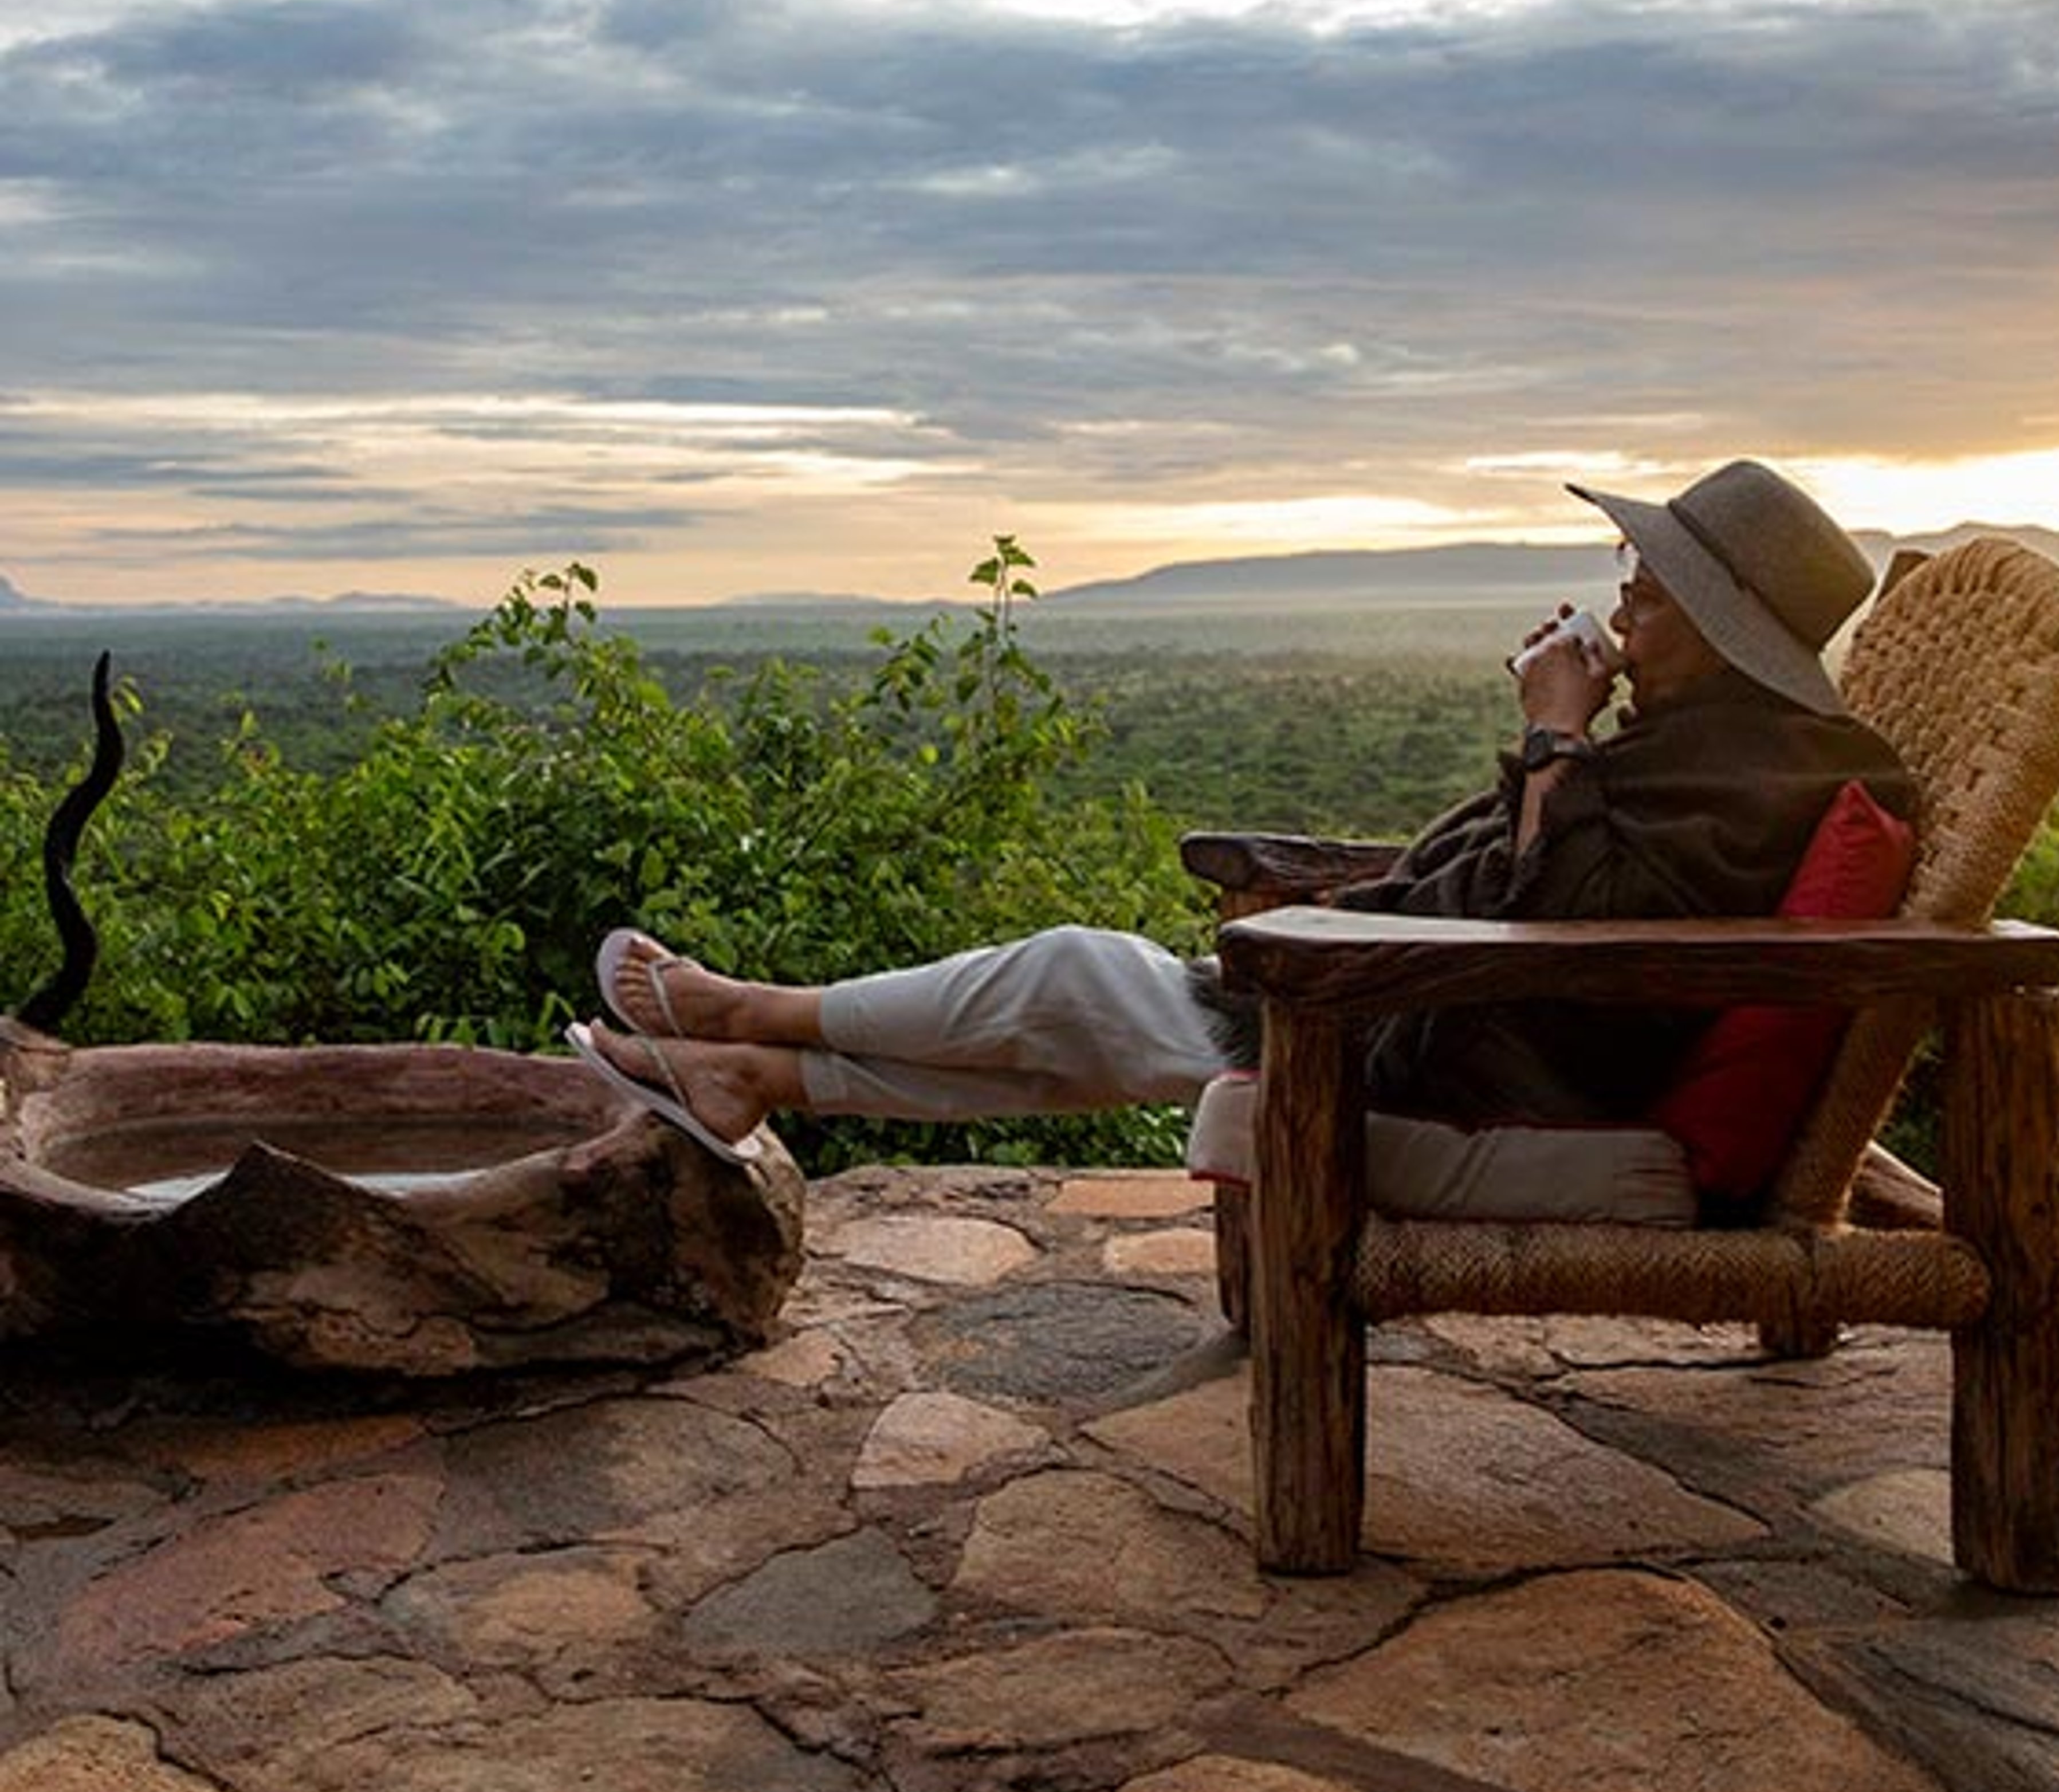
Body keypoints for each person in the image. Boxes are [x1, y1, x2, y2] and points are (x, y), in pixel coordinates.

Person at [566, 459, 1916, 1222]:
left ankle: (741, 1014)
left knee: (1073, 980)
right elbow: (1549, 886)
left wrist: (1558, 731)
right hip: (1441, 1013)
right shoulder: (1704, 745)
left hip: (1493, 1067)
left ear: (1727, 627)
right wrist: (1558, 755)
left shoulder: (1750, 772)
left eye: (1657, 585)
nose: (1627, 598)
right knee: (1083, 1006)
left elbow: (1586, 919)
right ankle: (752, 1072)